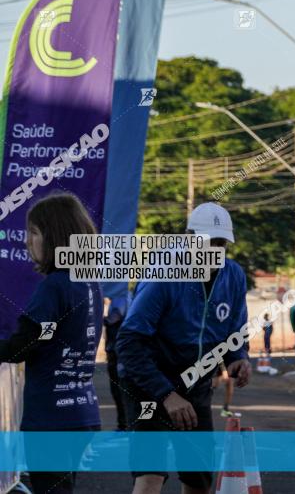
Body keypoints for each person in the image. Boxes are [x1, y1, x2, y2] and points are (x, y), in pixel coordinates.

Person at [116, 202, 251, 494]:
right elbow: (128, 342)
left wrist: (238, 358)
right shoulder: (163, 276)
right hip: (148, 384)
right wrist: (166, 395)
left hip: (196, 385)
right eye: (207, 242)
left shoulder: (234, 275)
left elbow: (236, 331)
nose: (215, 251)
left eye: (221, 243)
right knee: (151, 474)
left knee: (198, 478)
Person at [0, 194, 103, 494]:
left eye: (33, 232)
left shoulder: (54, 287)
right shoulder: (88, 283)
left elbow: (21, 346)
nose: (27, 242)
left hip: (50, 417)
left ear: (55, 236)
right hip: (82, 412)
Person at [104, 289, 132, 431]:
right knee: (119, 385)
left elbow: (115, 315)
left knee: (120, 385)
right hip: (117, 346)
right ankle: (124, 423)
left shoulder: (121, 293)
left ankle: (125, 424)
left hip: (119, 346)